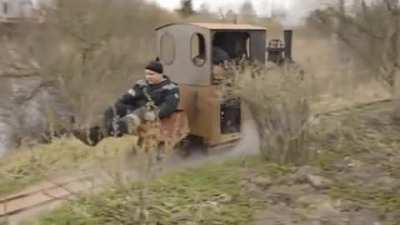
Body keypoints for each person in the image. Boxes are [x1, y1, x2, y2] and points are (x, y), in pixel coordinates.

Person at [73, 59, 180, 146]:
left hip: (150, 113)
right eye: (146, 74)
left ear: (160, 74)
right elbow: (127, 97)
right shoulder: (141, 84)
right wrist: (118, 106)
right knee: (114, 108)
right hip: (135, 109)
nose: (148, 77)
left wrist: (155, 114)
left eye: (151, 74)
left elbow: (169, 106)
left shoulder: (171, 88)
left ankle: (98, 135)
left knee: (138, 114)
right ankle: (97, 134)